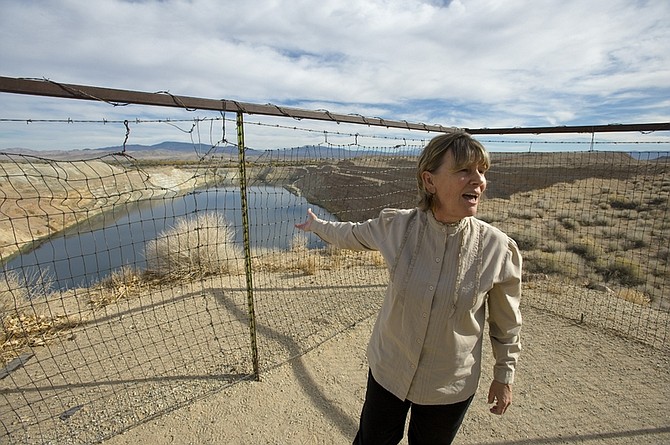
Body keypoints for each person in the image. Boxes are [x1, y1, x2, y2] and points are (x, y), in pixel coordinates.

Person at [295, 130, 522, 445]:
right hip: (389, 371)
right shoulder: (397, 227)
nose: (478, 180)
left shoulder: (498, 248)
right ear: (429, 181)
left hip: (449, 386)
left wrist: (503, 377)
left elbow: (506, 324)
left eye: (482, 171)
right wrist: (317, 226)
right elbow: (352, 234)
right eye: (464, 171)